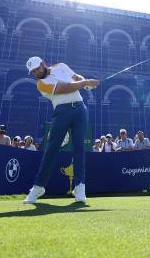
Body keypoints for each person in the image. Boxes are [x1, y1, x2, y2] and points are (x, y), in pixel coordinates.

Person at [24, 56, 99, 204]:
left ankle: (79, 187)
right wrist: (85, 83)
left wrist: (85, 83)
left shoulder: (61, 66)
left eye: (37, 69)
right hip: (61, 111)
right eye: (33, 72)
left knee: (79, 148)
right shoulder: (41, 84)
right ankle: (38, 187)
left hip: (80, 109)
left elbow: (76, 77)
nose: (36, 73)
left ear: (43, 64)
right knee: (52, 149)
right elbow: (63, 88)